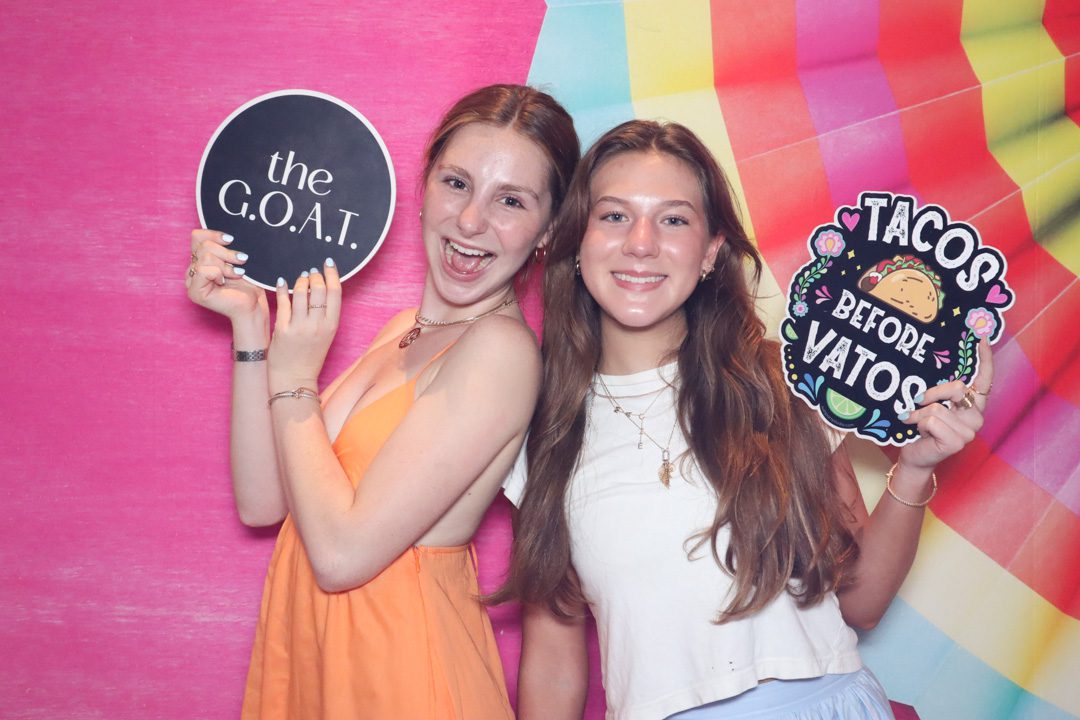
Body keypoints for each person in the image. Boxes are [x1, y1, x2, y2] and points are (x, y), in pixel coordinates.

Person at [498, 120, 992, 720]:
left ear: (710, 252)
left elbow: (862, 603)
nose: (641, 243)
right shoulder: (542, 429)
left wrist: (913, 469)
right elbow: (553, 665)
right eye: (615, 215)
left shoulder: (784, 381)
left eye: (673, 220)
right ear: (577, 240)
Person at [185, 84, 579, 719]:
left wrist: (295, 378)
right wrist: (251, 326)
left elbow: (341, 556)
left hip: (402, 678)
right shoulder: (401, 331)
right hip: (325, 664)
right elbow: (265, 502)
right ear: (423, 188)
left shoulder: (500, 351)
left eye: (510, 200)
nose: (470, 220)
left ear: (549, 230)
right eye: (456, 183)